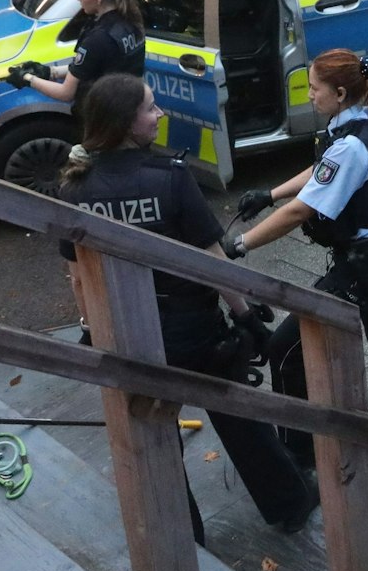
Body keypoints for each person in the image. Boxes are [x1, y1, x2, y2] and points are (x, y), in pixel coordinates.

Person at [58, 74, 319, 536]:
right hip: (194, 334)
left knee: (155, 433)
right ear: (125, 123)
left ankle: (182, 532)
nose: (159, 115)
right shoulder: (171, 180)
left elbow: (78, 271)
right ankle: (289, 504)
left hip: (127, 335)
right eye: (150, 109)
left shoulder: (76, 189)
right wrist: (245, 316)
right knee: (239, 418)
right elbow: (212, 260)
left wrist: (90, 325)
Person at [224, 49, 368, 468]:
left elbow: (302, 210)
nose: (309, 95)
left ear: (341, 92)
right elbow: (323, 170)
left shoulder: (350, 144)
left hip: (365, 267)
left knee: (286, 349)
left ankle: (300, 452)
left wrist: (240, 244)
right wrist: (271, 193)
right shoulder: (366, 119)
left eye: (315, 89)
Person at [9, 0, 147, 123]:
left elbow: (66, 93)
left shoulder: (98, 38)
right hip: (129, 114)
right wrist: (50, 72)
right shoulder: (131, 22)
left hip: (103, 123)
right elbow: (96, 67)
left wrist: (27, 79)